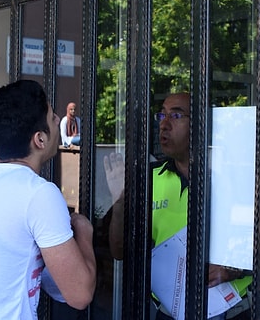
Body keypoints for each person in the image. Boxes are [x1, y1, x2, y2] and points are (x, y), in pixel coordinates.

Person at [0, 80, 96, 320]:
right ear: (39, 139)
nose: (58, 120)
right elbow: (79, 294)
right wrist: (84, 233)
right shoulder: (38, 194)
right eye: (52, 117)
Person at [104, 92, 252, 320]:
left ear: (200, 124)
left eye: (176, 115)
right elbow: (119, 250)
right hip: (170, 311)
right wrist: (120, 201)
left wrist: (235, 268)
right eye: (162, 114)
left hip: (229, 309)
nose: (164, 124)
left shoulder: (233, 177)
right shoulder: (148, 180)